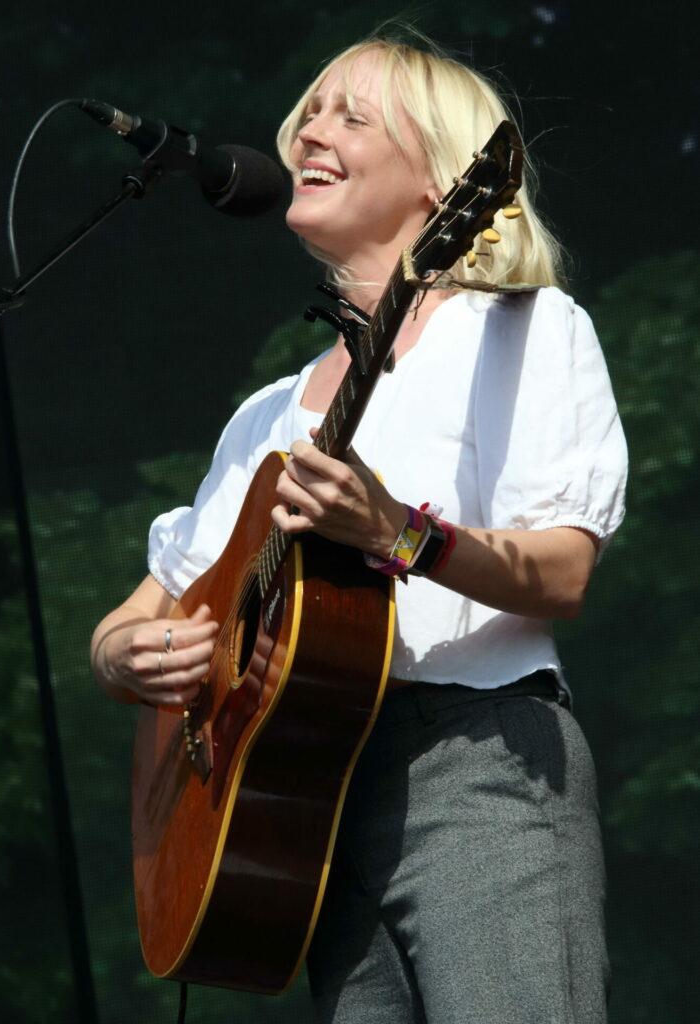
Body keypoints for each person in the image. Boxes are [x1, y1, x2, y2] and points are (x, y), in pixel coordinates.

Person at [91, 35, 627, 1024]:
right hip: (305, 796)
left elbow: (562, 573)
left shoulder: (522, 332)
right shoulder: (267, 415)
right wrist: (129, 655)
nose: (307, 132)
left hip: (479, 761)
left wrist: (401, 533)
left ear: (442, 183)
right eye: (308, 112)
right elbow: (137, 614)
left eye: (351, 115)